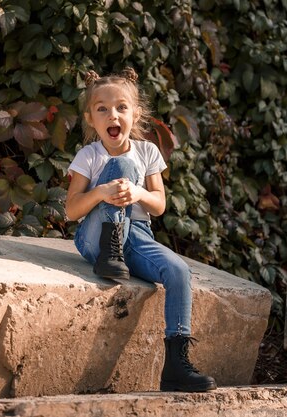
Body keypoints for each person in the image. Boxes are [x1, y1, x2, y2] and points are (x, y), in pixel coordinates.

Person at [65, 67, 216, 392]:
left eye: (121, 107)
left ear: (135, 113)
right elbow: (71, 210)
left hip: (137, 238)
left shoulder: (147, 151)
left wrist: (138, 194)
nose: (112, 114)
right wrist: (100, 193)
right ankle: (110, 253)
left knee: (178, 271)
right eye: (102, 109)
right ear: (91, 119)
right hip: (95, 237)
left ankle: (176, 365)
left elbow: (158, 205)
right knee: (121, 166)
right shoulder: (89, 155)